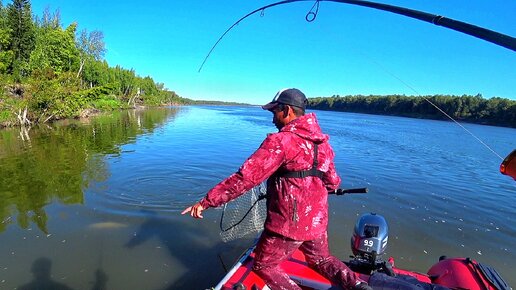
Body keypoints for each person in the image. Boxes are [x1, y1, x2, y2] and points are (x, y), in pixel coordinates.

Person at [182, 88, 371, 290]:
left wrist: (206, 202)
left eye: (275, 113)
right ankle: (358, 285)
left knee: (264, 265)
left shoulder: (281, 141)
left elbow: (245, 178)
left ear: (287, 110)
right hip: (317, 221)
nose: (273, 119)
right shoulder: (322, 144)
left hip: (287, 224)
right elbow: (333, 182)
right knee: (322, 260)